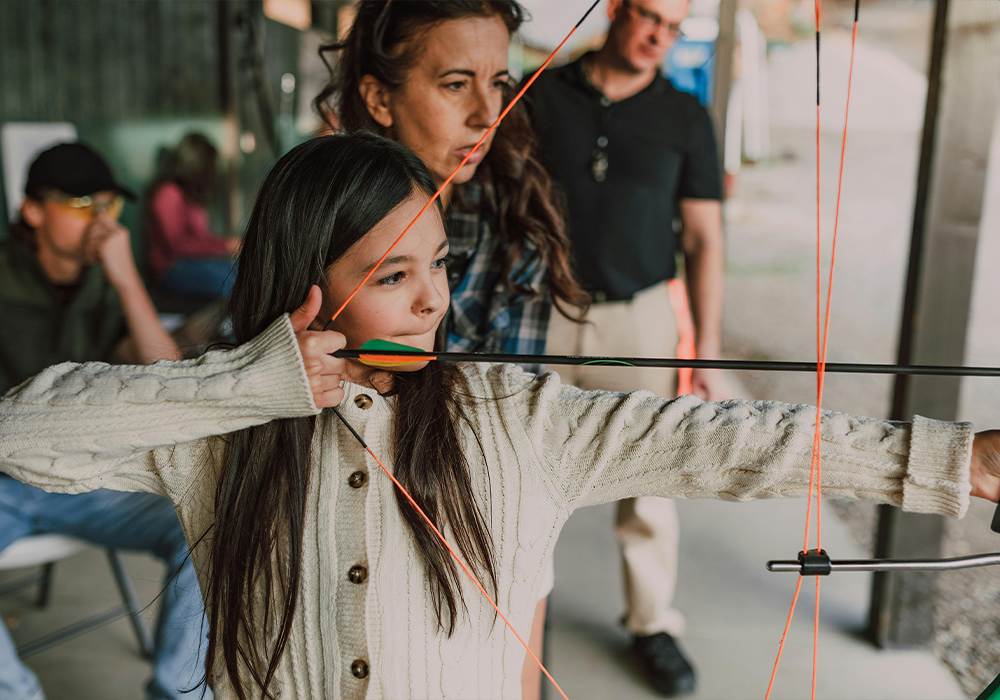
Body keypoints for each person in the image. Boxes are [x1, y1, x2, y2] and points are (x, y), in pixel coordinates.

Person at [0, 133, 997, 700]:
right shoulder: (222, 426)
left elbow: (727, 440)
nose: (434, 299)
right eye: (393, 275)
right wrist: (248, 382)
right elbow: (20, 434)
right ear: (304, 288)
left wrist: (963, 462)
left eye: (437, 263)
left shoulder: (518, 415)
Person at [313, 4, 590, 695]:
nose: (487, 115)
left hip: (466, 534)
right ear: (378, 96)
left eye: (499, 83)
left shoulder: (514, 219)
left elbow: (513, 443)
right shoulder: (311, 205)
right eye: (455, 84)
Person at [528, 0, 725, 693]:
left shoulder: (685, 116)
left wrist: (704, 345)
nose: (658, 37)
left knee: (647, 480)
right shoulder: (542, 93)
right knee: (522, 468)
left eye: (673, 28)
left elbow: (703, 240)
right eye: (648, 17)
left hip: (641, 321)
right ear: (614, 10)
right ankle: (520, 612)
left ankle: (651, 624)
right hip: (542, 312)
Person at [0, 142, 210, 700]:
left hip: (82, 480)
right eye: (80, 204)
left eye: (110, 206)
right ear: (34, 211)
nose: (99, 220)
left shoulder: (105, 280)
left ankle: (178, 694)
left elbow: (167, 377)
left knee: (210, 519)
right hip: (3, 483)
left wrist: (126, 279)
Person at [146, 133, 239, 301]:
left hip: (194, 264)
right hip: (172, 269)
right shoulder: (169, 193)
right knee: (233, 283)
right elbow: (178, 244)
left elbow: (201, 238)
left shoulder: (192, 194)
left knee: (242, 273)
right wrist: (227, 246)